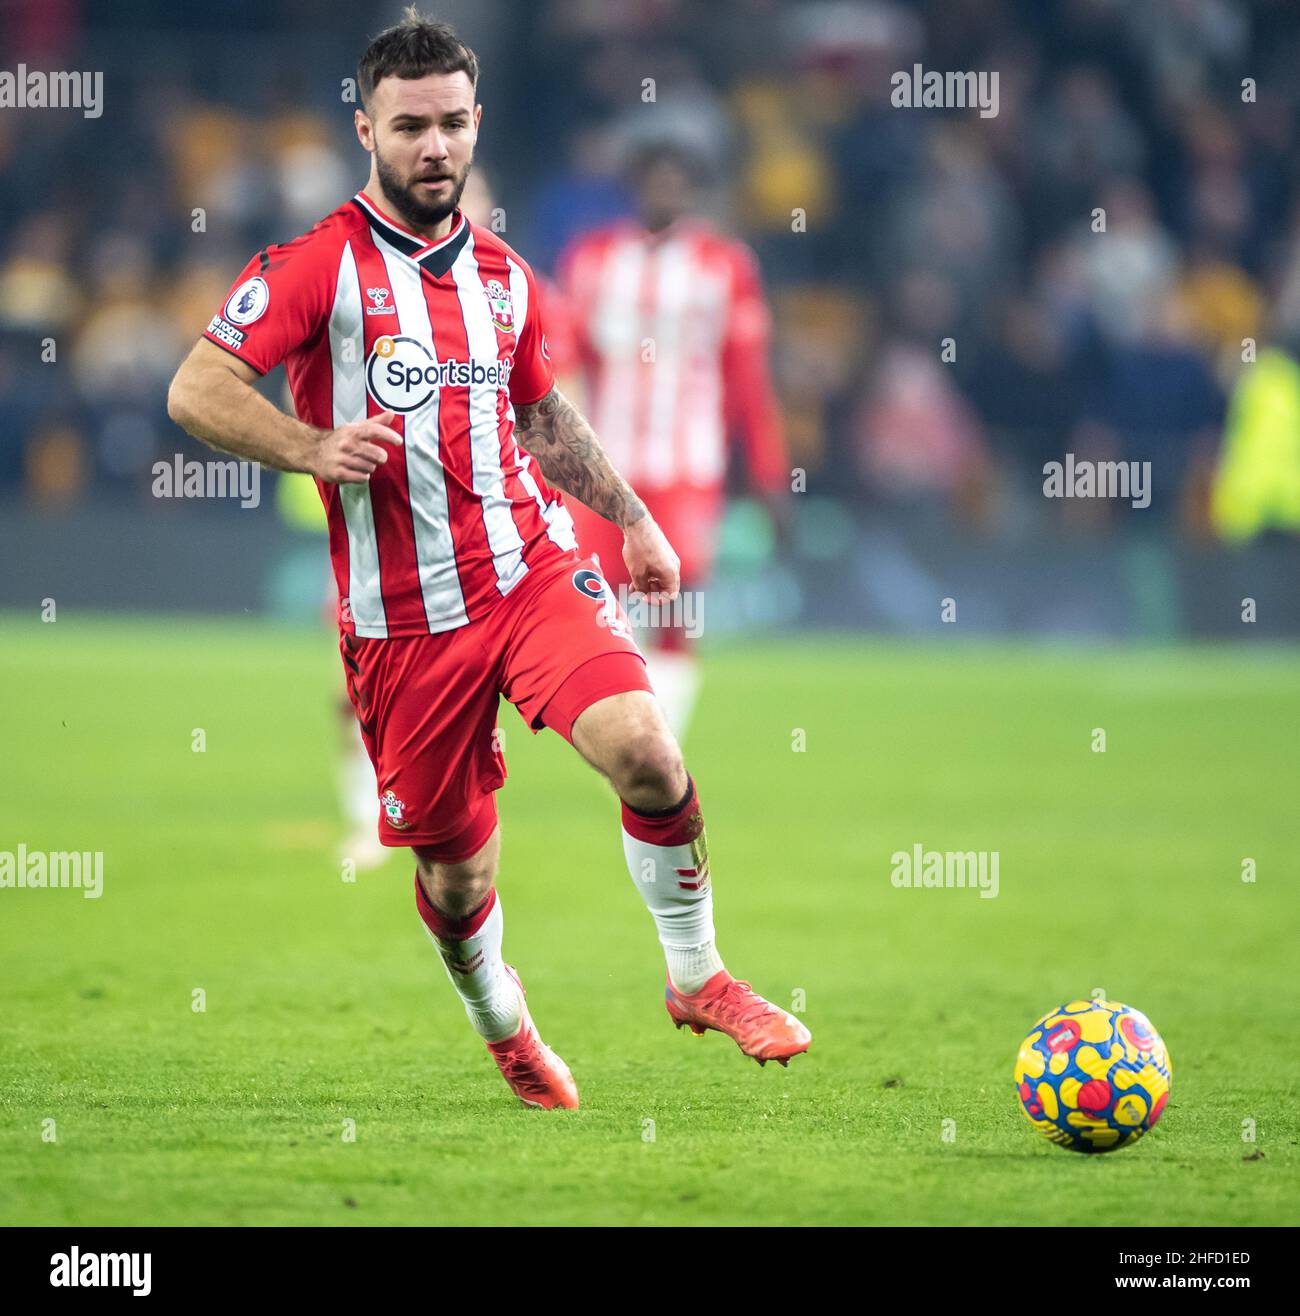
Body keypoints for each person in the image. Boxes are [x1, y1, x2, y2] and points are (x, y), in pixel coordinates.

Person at [166, 10, 810, 1110]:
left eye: (452, 124)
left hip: (531, 573)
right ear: (365, 127)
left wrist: (637, 519)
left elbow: (542, 413)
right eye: (409, 125)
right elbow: (196, 388)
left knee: (649, 751)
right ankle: (502, 1020)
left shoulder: (506, 275)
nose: (434, 147)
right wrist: (309, 445)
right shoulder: (316, 267)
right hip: (403, 622)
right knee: (457, 873)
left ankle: (699, 976)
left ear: (477, 124)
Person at [557, 140, 790, 740]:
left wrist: (769, 473)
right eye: (652, 179)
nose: (664, 190)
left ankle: (661, 744)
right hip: (601, 467)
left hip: (687, 465)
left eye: (676, 180)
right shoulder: (591, 258)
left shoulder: (724, 264)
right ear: (633, 187)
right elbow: (560, 361)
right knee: (593, 603)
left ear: (693, 189)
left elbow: (747, 377)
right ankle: (621, 729)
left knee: (674, 608)